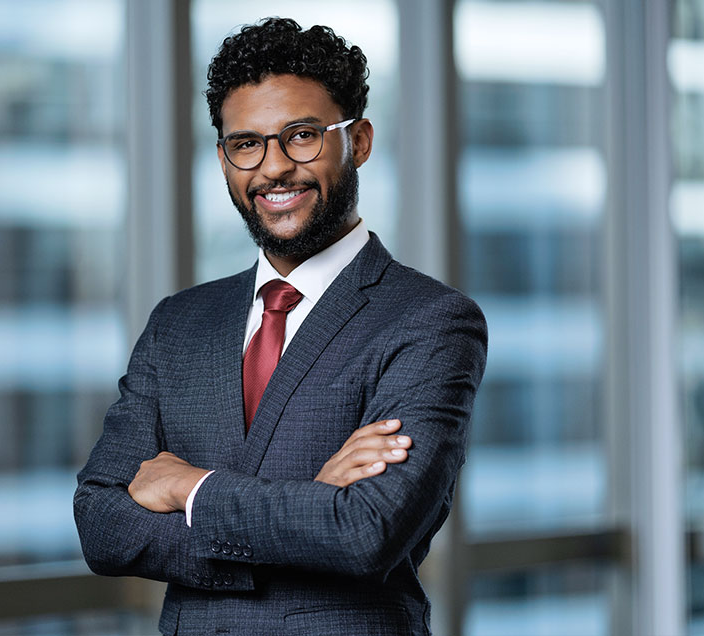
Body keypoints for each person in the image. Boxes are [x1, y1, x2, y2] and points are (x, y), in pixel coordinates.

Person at [74, 17, 487, 636]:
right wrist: (308, 503)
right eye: (247, 144)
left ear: (361, 141)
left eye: (301, 136)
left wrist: (193, 488)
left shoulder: (430, 321)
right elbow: (101, 524)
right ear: (223, 159)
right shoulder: (178, 325)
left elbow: (363, 532)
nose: (273, 169)